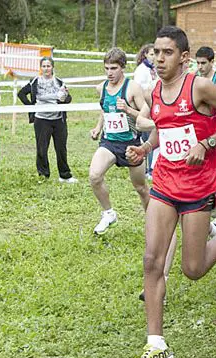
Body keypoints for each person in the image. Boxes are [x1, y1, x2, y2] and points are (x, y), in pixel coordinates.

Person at [126, 26, 216, 358]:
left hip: (198, 188)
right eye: (156, 52)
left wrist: (208, 144)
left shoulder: (199, 86)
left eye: (167, 52)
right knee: (152, 261)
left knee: (194, 270)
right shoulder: (154, 91)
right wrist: (144, 148)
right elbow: (162, 129)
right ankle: (156, 345)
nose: (159, 58)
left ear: (183, 57)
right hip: (166, 184)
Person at [88, 48, 149, 235]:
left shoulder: (133, 88)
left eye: (113, 68)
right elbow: (105, 110)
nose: (109, 72)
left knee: (140, 187)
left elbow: (146, 117)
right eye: (106, 68)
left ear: (122, 67)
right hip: (109, 143)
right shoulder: (102, 87)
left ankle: (153, 221)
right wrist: (98, 128)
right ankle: (108, 213)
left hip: (131, 144)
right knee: (94, 176)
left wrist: (129, 110)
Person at [18, 57, 77, 183]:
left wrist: (64, 98)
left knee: (61, 148)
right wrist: (31, 107)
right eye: (43, 66)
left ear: (52, 67)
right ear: (41, 68)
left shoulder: (59, 82)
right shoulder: (35, 81)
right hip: (42, 119)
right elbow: (21, 94)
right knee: (42, 148)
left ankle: (65, 175)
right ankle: (43, 175)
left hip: (58, 119)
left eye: (48, 66)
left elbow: (68, 99)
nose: (46, 69)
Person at [134, 43, 158, 180]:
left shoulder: (155, 69)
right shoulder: (141, 70)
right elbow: (139, 88)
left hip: (154, 105)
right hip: (145, 105)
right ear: (145, 55)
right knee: (148, 137)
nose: (154, 57)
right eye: (151, 54)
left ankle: (151, 167)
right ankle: (148, 169)